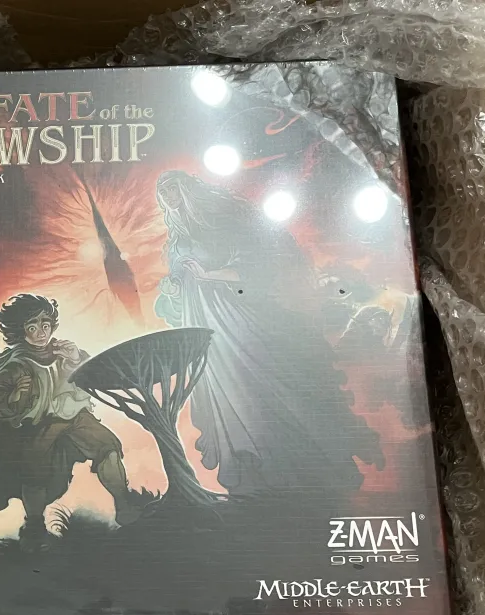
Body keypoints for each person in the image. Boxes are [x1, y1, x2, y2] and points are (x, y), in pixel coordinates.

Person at [154, 170, 383, 499]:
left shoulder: (218, 226)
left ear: (187, 190)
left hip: (235, 319)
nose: (169, 197)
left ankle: (305, 470)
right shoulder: (176, 242)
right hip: (200, 328)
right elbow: (177, 286)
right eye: (163, 193)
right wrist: (173, 287)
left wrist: (209, 274)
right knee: (224, 399)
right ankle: (257, 479)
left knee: (266, 386)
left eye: (172, 188)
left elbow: (255, 266)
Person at [0, 294, 143, 550]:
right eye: (32, 327)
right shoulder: (16, 365)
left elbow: (96, 376)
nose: (41, 332)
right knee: (34, 473)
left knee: (108, 447)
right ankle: (34, 527)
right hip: (38, 426)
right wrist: (15, 396)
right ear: (21, 331)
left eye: (45, 325)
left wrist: (76, 359)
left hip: (76, 418)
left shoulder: (64, 352)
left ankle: (124, 504)